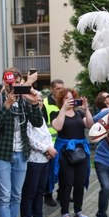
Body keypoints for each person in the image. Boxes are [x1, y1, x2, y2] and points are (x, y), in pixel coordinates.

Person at [0, 68, 42, 217]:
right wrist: (8, 104)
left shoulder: (25, 100)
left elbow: (37, 123)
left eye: (16, 83)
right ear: (4, 83)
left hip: (21, 153)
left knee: (16, 195)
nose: (13, 87)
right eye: (9, 84)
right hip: (3, 154)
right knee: (4, 196)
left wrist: (34, 104)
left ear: (20, 82)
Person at [51, 88, 93, 217]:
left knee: (79, 183)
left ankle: (78, 210)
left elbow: (90, 125)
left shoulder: (80, 113)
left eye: (72, 97)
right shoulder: (56, 113)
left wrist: (86, 109)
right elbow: (58, 127)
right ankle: (64, 212)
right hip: (65, 152)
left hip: (81, 151)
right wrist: (63, 109)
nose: (70, 100)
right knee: (66, 183)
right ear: (61, 100)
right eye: (66, 98)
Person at [20, 92, 55, 217]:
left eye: (41, 100)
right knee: (30, 192)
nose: (39, 102)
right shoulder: (27, 117)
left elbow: (47, 136)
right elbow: (29, 139)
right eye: (37, 100)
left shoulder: (40, 116)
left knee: (40, 190)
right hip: (33, 159)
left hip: (45, 158)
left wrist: (50, 148)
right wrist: (47, 148)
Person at [42, 79, 64, 207]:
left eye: (62, 88)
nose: (60, 90)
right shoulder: (45, 103)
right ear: (52, 89)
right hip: (52, 143)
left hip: (64, 142)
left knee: (64, 170)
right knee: (51, 172)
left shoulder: (64, 102)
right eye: (58, 88)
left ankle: (62, 193)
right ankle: (48, 195)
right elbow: (43, 126)